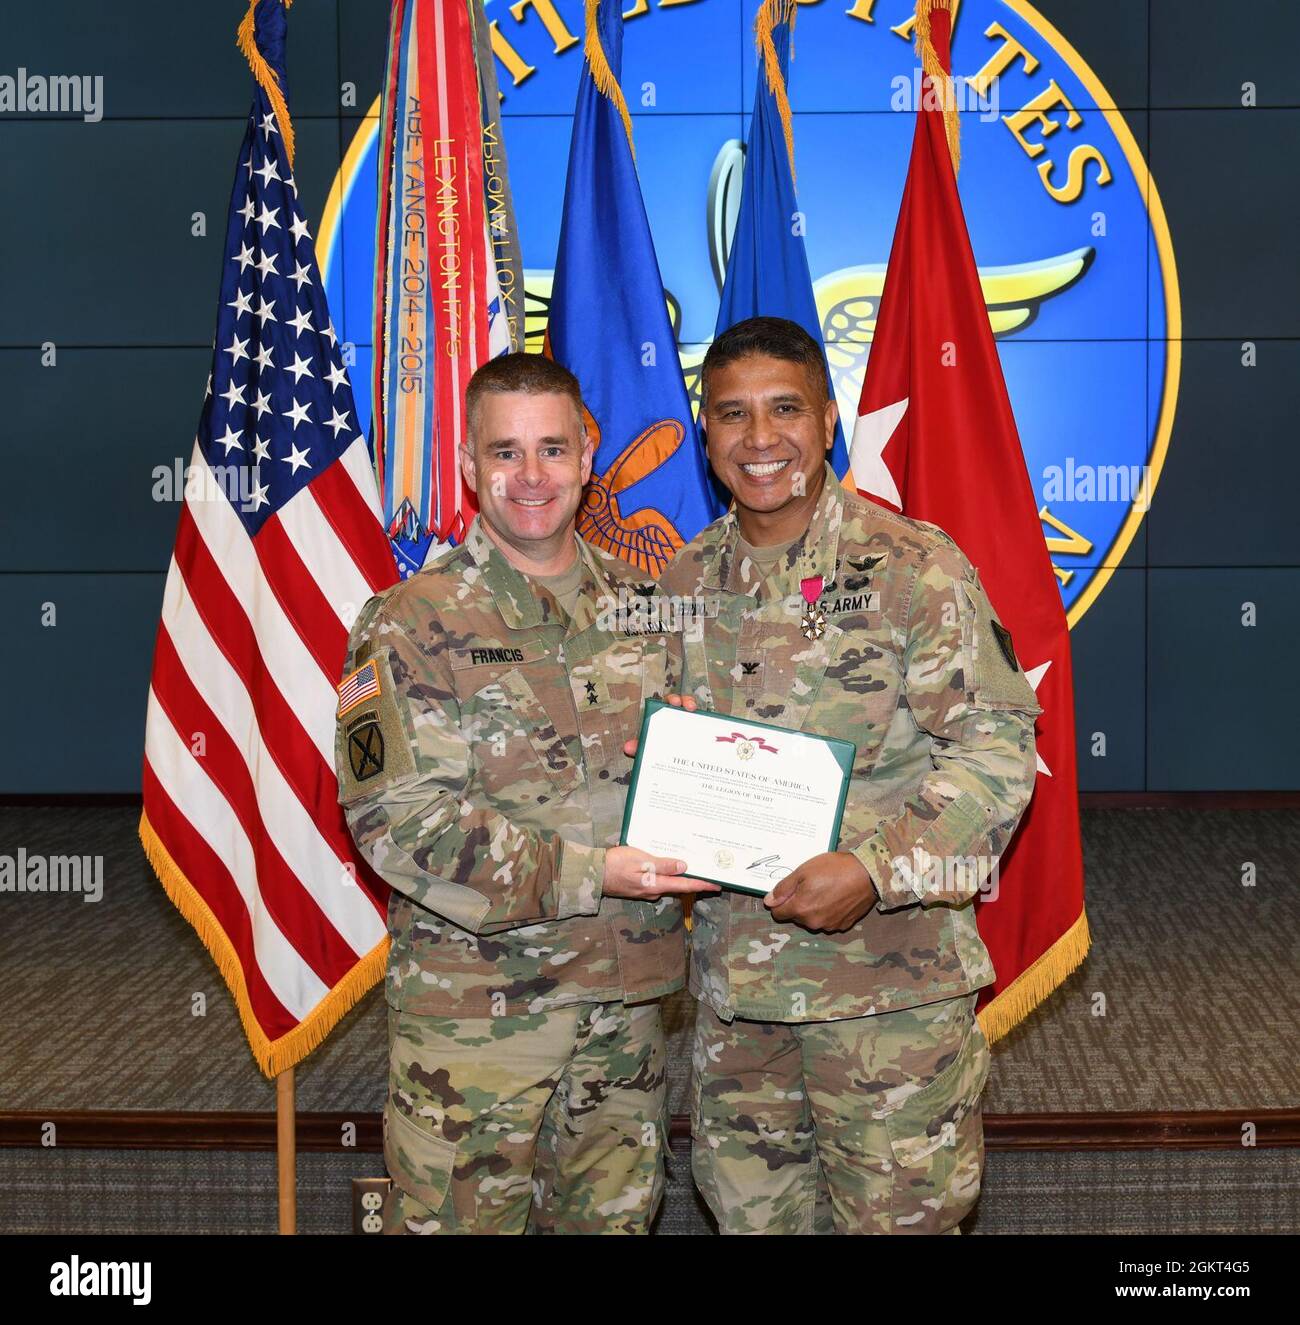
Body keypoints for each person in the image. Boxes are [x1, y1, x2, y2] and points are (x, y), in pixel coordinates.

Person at [656, 316, 1041, 1234]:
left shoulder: (916, 567)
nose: (760, 440)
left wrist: (872, 868)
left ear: (828, 420)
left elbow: (996, 758)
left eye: (784, 409)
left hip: (887, 1000)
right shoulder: (681, 580)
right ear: (705, 433)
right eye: (732, 415)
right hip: (739, 1003)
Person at [336, 352, 717, 1234]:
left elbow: (689, 775)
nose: (532, 475)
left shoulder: (647, 609)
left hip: (623, 1021)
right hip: (478, 1032)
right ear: (468, 467)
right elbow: (396, 824)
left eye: (552, 448)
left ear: (588, 456)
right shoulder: (406, 622)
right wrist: (601, 873)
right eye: (505, 452)